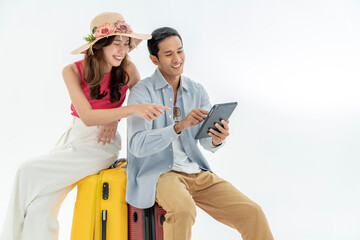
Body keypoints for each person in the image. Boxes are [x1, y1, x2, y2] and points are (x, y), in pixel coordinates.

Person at [0, 12, 169, 240]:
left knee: (25, 170)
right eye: (115, 43)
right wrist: (119, 113)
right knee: (40, 208)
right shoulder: (71, 71)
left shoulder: (128, 70)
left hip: (101, 146)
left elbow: (143, 101)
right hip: (73, 139)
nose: (122, 50)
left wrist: (114, 117)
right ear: (99, 45)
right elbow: (88, 117)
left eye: (126, 43)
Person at [126, 27, 274, 240]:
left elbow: (205, 142)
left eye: (180, 51)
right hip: (161, 173)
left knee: (252, 212)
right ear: (154, 59)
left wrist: (216, 139)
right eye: (168, 54)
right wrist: (178, 126)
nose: (177, 59)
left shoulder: (197, 91)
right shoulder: (142, 92)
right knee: (183, 210)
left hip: (198, 172)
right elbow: (137, 145)